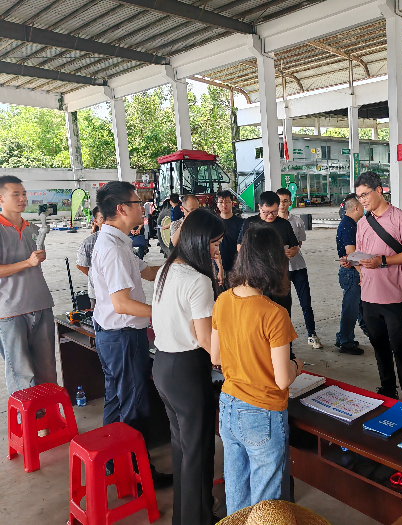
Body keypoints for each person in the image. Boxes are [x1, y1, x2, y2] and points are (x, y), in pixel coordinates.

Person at [212, 225, 303, 514]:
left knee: (236, 495)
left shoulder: (223, 299)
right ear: (274, 262)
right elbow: (282, 379)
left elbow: (215, 356)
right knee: (266, 506)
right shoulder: (274, 313)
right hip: (262, 412)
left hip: (228, 405)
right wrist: (297, 366)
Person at [91, 181, 171, 487]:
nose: (143, 208)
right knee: (134, 407)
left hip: (113, 335)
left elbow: (147, 271)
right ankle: (138, 476)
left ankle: (113, 463)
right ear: (122, 209)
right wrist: (164, 313)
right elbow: (122, 304)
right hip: (123, 336)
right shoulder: (112, 249)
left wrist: (180, 263)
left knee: (116, 401)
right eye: (138, 203)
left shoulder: (118, 241)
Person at [152, 209, 225, 525]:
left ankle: (184, 517)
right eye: (214, 244)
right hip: (187, 372)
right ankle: (199, 519)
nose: (217, 252)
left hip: (163, 366)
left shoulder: (167, 269)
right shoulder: (198, 281)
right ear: (199, 241)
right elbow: (208, 342)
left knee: (182, 449)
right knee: (198, 453)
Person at [354, 172, 402, 404]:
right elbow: (361, 254)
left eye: (365, 194)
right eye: (359, 196)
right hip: (368, 295)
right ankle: (388, 388)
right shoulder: (362, 223)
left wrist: (383, 261)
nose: (362, 200)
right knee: (379, 345)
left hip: (392, 295)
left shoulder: (401, 218)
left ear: (379, 190)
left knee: (399, 346)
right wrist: (355, 264)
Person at [0, 175, 56, 397]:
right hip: (10, 311)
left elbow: (36, 260)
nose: (22, 198)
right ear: (1, 198)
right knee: (21, 375)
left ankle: (48, 417)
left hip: (41, 304)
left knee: (47, 371)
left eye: (24, 194)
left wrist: (38, 257)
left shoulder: (32, 229)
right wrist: (27, 262)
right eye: (16, 194)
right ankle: (28, 419)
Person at [237, 191, 299, 318]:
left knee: (282, 313)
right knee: (259, 315)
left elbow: (295, 247)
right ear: (259, 207)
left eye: (274, 212)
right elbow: (239, 247)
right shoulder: (250, 223)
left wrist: (291, 252)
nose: (270, 216)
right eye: (266, 212)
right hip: (256, 277)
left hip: (279, 278)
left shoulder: (284, 224)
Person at [277, 188, 324, 349]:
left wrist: (294, 250)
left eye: (285, 201)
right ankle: (285, 337)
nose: (282, 204)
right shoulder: (272, 222)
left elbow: (299, 243)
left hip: (298, 267)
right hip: (281, 270)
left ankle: (312, 334)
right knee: (285, 304)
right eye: (280, 201)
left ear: (290, 202)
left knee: (306, 303)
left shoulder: (297, 221)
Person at [336, 194, 368, 355]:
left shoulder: (348, 223)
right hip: (351, 273)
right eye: (362, 206)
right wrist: (361, 273)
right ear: (356, 208)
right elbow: (351, 253)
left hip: (349, 271)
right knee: (351, 308)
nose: (364, 208)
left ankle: (342, 337)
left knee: (354, 307)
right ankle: (346, 342)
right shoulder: (349, 225)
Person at [76, 206, 105, 308]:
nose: (107, 221)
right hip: (97, 293)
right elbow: (81, 265)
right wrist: (95, 275)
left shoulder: (122, 240)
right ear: (95, 221)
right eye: (102, 218)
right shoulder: (89, 242)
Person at [216, 189, 244, 286]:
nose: (224, 205)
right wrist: (219, 268)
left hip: (236, 267)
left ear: (232, 203)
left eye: (227, 201)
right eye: (221, 202)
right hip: (217, 267)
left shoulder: (241, 223)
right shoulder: (213, 222)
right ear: (217, 204)